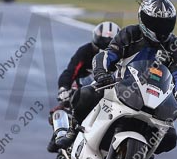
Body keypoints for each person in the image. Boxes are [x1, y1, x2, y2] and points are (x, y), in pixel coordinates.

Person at [57, 0, 177, 154]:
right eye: (156, 22)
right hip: (120, 87)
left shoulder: (175, 46)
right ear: (144, 18)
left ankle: (138, 156)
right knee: (84, 95)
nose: (161, 28)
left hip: (154, 98)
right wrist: (101, 73)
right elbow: (108, 55)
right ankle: (73, 129)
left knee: (169, 138)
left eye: (165, 23)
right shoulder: (131, 34)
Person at [46, 21, 121, 152]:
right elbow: (70, 71)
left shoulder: (122, 57)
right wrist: (64, 88)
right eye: (103, 41)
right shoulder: (85, 51)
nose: (106, 46)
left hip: (110, 95)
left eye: (110, 43)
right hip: (82, 90)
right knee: (62, 108)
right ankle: (63, 133)